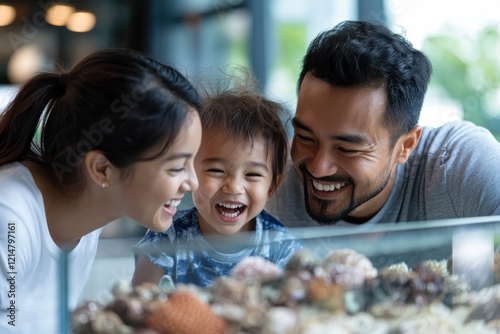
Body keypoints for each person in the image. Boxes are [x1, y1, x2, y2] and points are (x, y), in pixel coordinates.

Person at [0, 49, 202, 334]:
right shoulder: (8, 216)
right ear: (103, 170)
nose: (193, 182)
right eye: (176, 167)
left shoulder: (88, 214)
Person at [265, 20, 500, 228]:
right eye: (306, 138)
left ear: (406, 146)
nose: (317, 167)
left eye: (347, 149)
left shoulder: (457, 164)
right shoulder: (261, 176)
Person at [132, 69, 303, 288]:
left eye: (252, 174)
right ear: (190, 172)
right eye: (217, 171)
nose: (233, 187)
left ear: (272, 186)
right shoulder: (167, 237)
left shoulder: (281, 246)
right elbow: (139, 302)